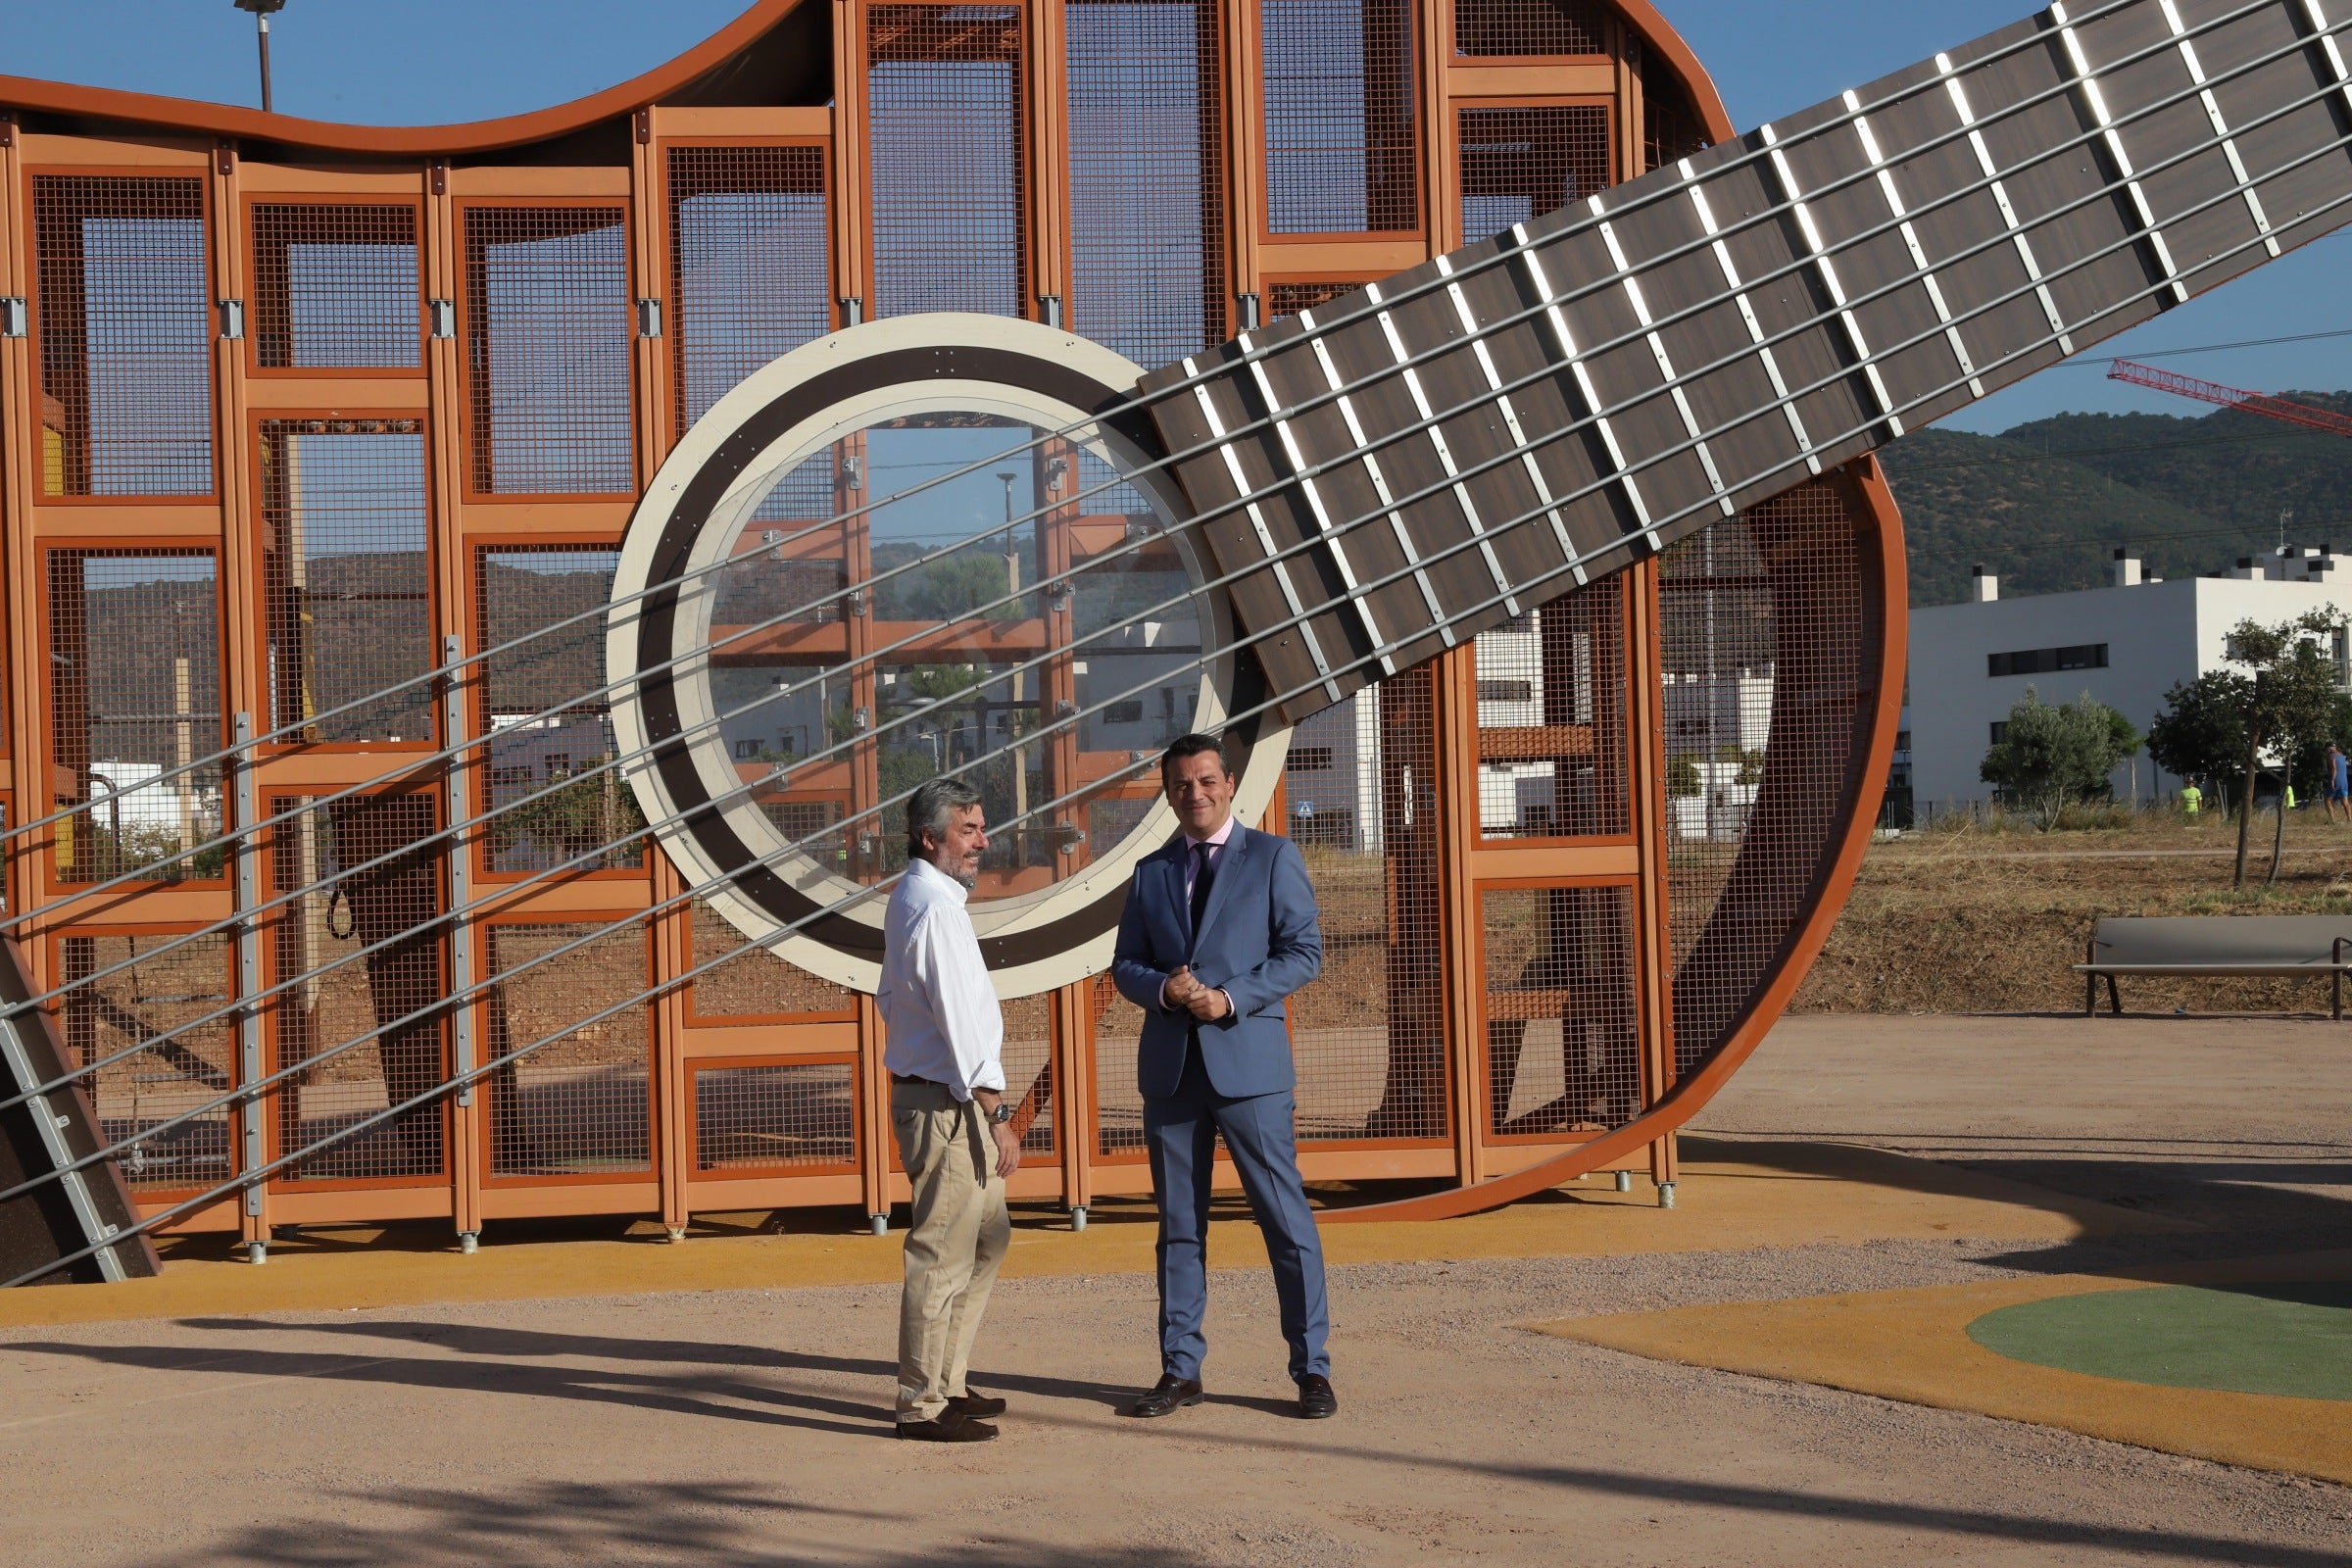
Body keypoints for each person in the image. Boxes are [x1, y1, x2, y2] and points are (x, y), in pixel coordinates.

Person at [1110, 733, 1335, 1421]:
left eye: (1206, 781)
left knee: (1285, 1221)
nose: (1195, 794)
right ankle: (1181, 1369)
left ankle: (1311, 1370)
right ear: (1168, 791)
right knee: (1179, 1226)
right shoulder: (1150, 871)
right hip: (1173, 1074)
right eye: (1181, 784)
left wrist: (1231, 996)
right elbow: (1126, 965)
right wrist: (1165, 991)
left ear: (1230, 782)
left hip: (1251, 1071)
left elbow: (1305, 952)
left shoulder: (1273, 857)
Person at [875, 777, 1023, 1443]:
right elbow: (960, 1024)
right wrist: (997, 1117)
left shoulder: (929, 898)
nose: (982, 841)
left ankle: (947, 1379)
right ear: (930, 837)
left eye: (981, 827)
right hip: (949, 1107)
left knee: (987, 1236)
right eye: (968, 829)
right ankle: (922, 1404)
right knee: (941, 1253)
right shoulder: (932, 908)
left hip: (947, 1100)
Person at [2327, 745, 2350, 824]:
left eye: (2326, 749)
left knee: (2328, 800)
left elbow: (2334, 768)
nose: (2326, 751)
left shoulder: (2331, 756)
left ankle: (2332, 820)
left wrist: (2332, 780)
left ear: (2330, 748)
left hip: (2336, 781)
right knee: (2345, 802)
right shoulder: (2342, 756)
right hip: (2344, 782)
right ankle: (2349, 819)